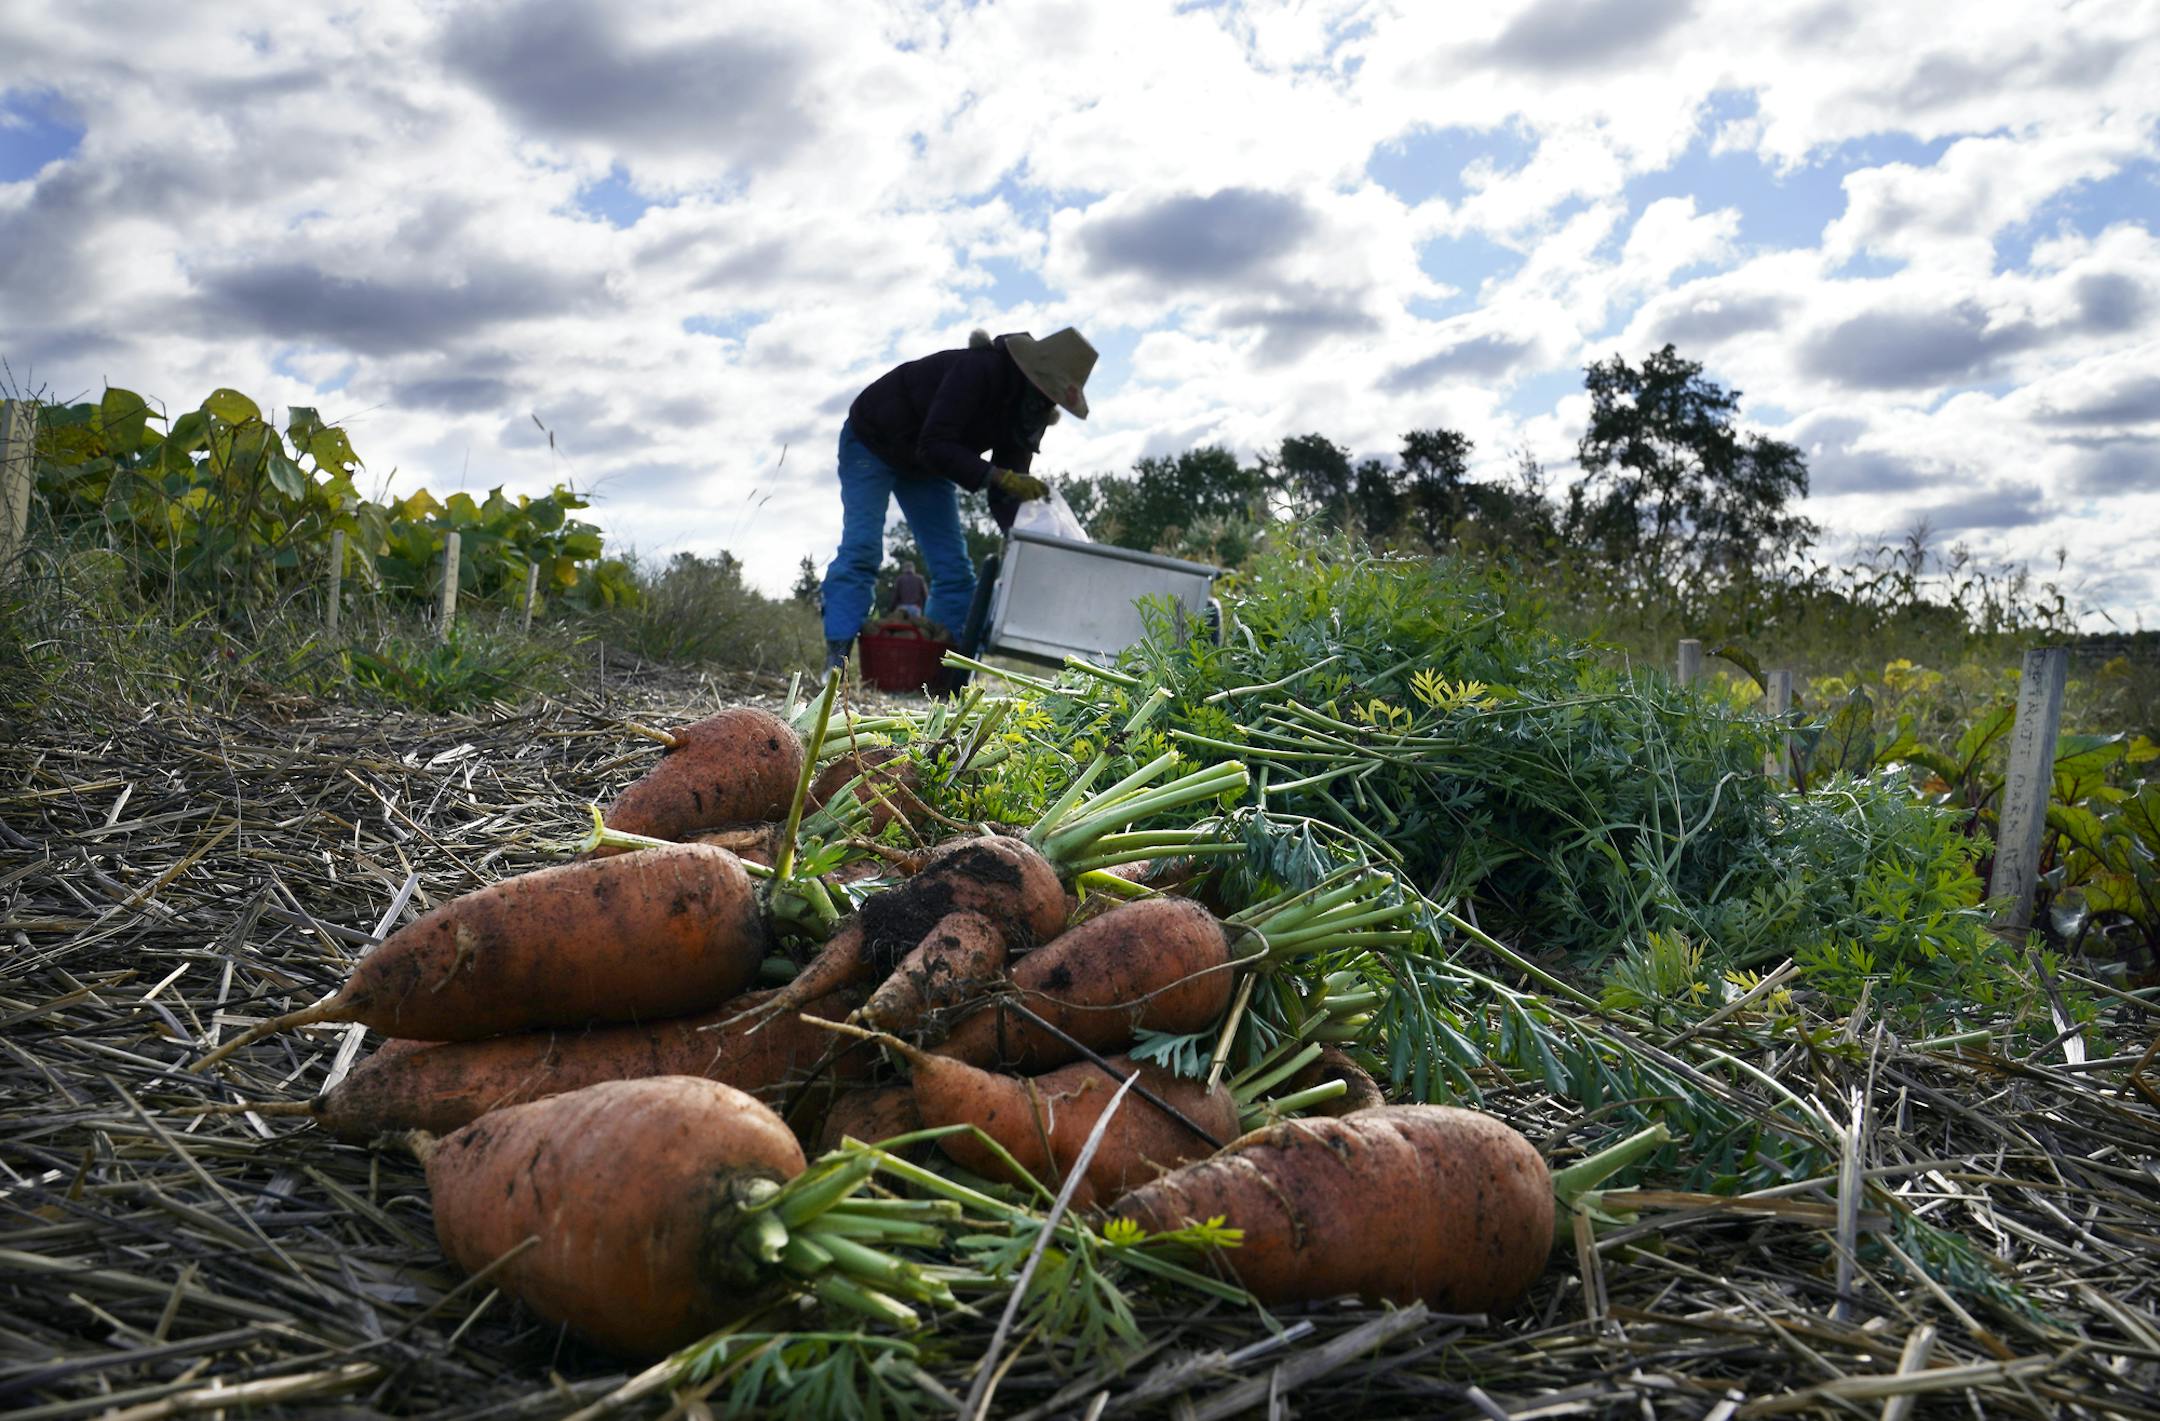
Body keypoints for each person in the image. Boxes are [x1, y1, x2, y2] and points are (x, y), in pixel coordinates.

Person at [820, 327, 1097, 673]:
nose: (1049, 398)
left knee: (953, 570)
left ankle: (934, 670)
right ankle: (837, 661)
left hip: (926, 466)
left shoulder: (1032, 409)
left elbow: (1005, 492)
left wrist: (1025, 541)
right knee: (862, 549)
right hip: (874, 439)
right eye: (1048, 389)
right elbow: (935, 442)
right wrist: (1001, 477)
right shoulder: (979, 370)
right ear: (1031, 373)